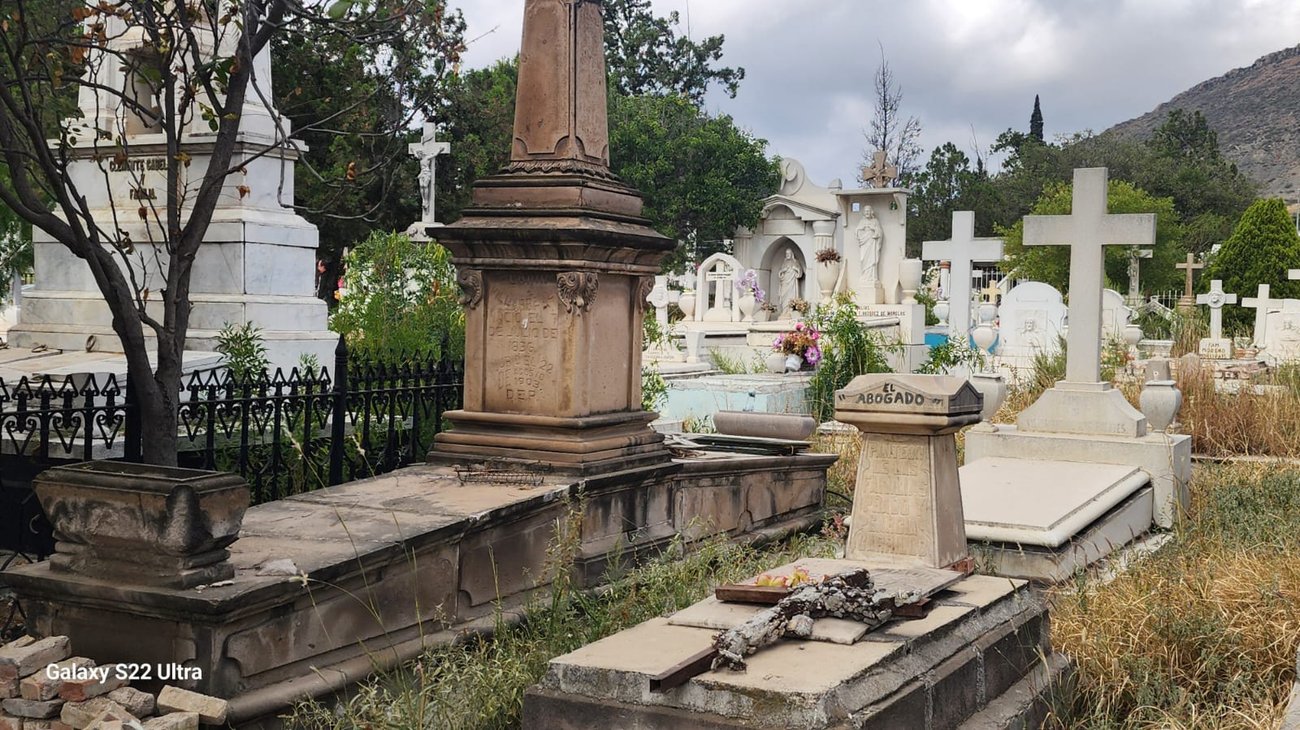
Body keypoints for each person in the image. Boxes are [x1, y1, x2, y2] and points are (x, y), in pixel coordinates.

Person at [856, 206, 883, 285]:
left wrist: (874, 228)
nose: (867, 212)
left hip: (872, 242)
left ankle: (872, 277)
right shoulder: (862, 221)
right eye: (865, 211)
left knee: (872, 260)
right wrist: (861, 229)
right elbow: (857, 231)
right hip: (864, 243)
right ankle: (864, 276)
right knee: (863, 259)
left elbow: (880, 232)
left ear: (871, 212)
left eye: (868, 211)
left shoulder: (875, 221)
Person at [776, 249, 803, 318]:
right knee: (783, 296)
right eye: (786, 253)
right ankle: (784, 311)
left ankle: (790, 311)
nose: (787, 255)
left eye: (789, 253)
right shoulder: (784, 262)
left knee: (791, 296)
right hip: (785, 282)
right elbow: (780, 273)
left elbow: (800, 273)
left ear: (791, 254)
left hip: (792, 283)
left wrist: (796, 269)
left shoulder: (795, 262)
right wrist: (782, 271)